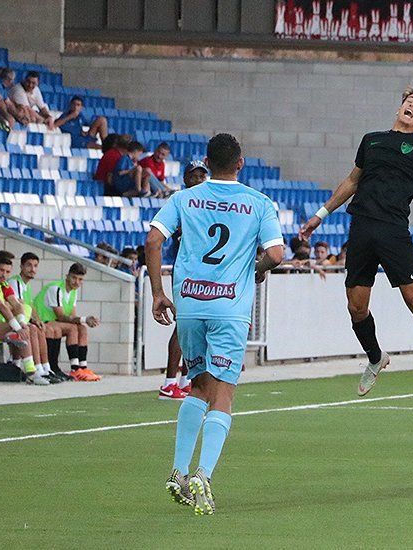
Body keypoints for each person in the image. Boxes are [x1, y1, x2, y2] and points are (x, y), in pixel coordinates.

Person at [147, 133, 285, 515]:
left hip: (190, 305)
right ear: (240, 163)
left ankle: (177, 470)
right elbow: (276, 252)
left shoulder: (184, 198)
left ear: (207, 163)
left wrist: (159, 292)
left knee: (198, 386)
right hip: (229, 308)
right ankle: (203, 474)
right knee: (223, 394)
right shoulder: (259, 203)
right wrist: (254, 269)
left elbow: (154, 240)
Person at [300, 88, 413, 408]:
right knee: (356, 307)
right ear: (400, 107)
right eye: (409, 101)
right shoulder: (371, 139)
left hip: (394, 232)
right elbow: (351, 181)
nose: (411, 105)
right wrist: (320, 215)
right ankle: (376, 357)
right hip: (361, 229)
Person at [159, 160, 210, 401]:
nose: (199, 180)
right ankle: (169, 382)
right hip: (185, 271)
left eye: (203, 176)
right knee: (182, 327)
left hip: (202, 271)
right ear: (185, 179)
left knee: (195, 329)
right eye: (194, 176)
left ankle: (185, 380)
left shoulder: (205, 205)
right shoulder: (181, 202)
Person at [34, 263, 101, 382]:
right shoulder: (56, 288)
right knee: (73, 328)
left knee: (82, 328)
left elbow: (72, 317)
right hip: (43, 321)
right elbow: (60, 316)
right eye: (74, 278)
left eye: (80, 279)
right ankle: (75, 369)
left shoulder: (73, 292)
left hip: (55, 323)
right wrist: (85, 319)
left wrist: (84, 322)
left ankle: (82, 368)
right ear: (67, 276)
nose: (76, 282)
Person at [0, 255, 48, 385]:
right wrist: (17, 326)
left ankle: (32, 372)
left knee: (25, 325)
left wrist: (22, 323)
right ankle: (33, 370)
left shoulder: (5, 284)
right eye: (1, 270)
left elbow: (16, 305)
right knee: (23, 329)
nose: (4, 275)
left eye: (7, 272)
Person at [9, 252, 63, 383]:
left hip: (21, 321)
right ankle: (37, 370)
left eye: (35, 266)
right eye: (29, 265)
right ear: (21, 266)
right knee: (33, 329)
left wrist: (38, 320)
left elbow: (30, 306)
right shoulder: (15, 282)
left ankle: (46, 368)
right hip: (11, 321)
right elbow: (17, 305)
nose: (32, 269)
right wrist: (33, 321)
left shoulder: (26, 285)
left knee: (39, 328)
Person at [0, 67, 16, 131]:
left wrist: (19, 115)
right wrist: (7, 116)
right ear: (9, 79)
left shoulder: (3, 88)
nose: (13, 83)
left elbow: (9, 103)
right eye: (12, 80)